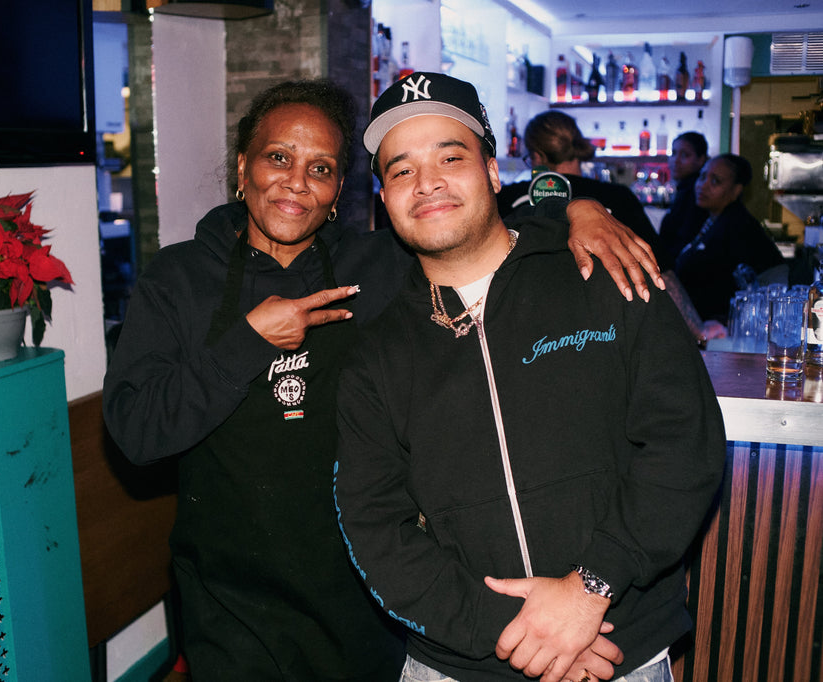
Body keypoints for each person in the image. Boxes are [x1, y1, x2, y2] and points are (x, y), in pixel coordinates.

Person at [102, 78, 662, 681]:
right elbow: (137, 433)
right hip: (234, 602)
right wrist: (248, 343)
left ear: (340, 190)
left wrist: (577, 211)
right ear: (243, 168)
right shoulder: (179, 279)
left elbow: (475, 225)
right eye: (278, 158)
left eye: (321, 168)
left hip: (366, 593)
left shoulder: (381, 263)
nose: (297, 181)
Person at [334, 72, 726, 682]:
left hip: (616, 649)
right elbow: (374, 525)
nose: (427, 181)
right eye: (401, 169)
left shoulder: (605, 274)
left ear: (494, 173)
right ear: (384, 200)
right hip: (460, 663)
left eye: (450, 157)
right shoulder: (376, 354)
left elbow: (685, 442)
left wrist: (591, 587)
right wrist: (517, 632)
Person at [498, 110, 724, 344]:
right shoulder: (617, 197)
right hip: (606, 334)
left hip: (524, 332)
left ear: (536, 156)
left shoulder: (508, 197)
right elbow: (659, 270)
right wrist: (699, 331)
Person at [675, 153, 785, 323]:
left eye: (715, 181)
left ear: (736, 191)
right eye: (702, 177)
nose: (703, 185)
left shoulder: (738, 226)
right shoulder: (711, 219)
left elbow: (721, 288)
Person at [659, 132, 708, 262]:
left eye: (685, 155)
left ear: (701, 160)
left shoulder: (697, 192)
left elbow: (685, 239)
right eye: (673, 153)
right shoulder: (684, 189)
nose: (676, 160)